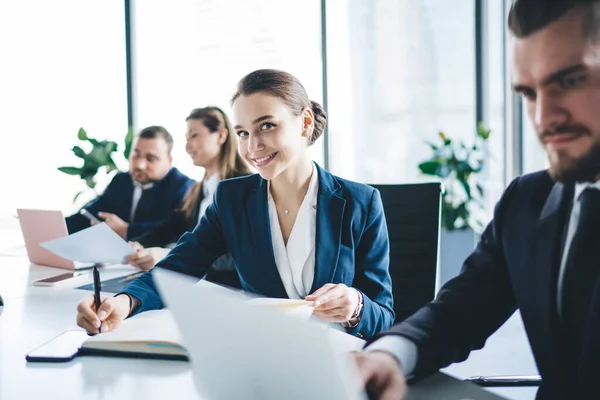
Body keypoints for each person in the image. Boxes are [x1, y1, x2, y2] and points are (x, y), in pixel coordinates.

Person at [354, 1, 600, 399]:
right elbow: (459, 311)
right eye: (528, 93)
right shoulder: (527, 202)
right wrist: (389, 355)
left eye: (569, 81)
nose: (542, 118)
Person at [76, 69, 394, 339]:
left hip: (336, 359)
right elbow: (178, 267)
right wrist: (124, 302)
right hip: (260, 355)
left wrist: (356, 306)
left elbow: (383, 313)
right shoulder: (232, 200)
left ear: (305, 123)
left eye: (267, 125)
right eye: (243, 132)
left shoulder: (360, 203)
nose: (253, 146)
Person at [125, 107, 252, 287]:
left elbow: (239, 256)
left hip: (230, 289)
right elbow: (168, 228)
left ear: (221, 136)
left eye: (194, 136)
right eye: (186, 138)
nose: (187, 146)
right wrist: (139, 245)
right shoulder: (198, 189)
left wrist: (170, 256)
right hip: (199, 284)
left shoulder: (244, 186)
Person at [66, 126, 194, 240]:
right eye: (136, 155)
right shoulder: (121, 180)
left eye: (150, 158)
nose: (139, 165)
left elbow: (175, 231)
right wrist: (57, 226)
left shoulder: (185, 188)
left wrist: (127, 230)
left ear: (169, 160)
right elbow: (90, 214)